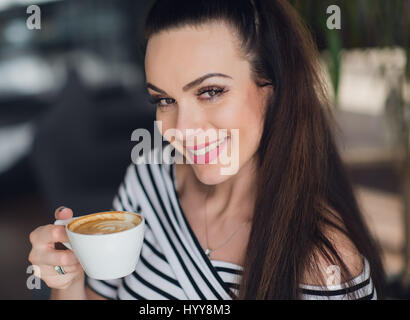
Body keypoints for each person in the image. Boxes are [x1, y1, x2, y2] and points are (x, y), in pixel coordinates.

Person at [28, 0, 385, 299]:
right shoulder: (150, 176)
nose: (181, 130)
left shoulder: (323, 264)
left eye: (210, 91)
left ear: (271, 88)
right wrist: (70, 281)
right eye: (164, 99)